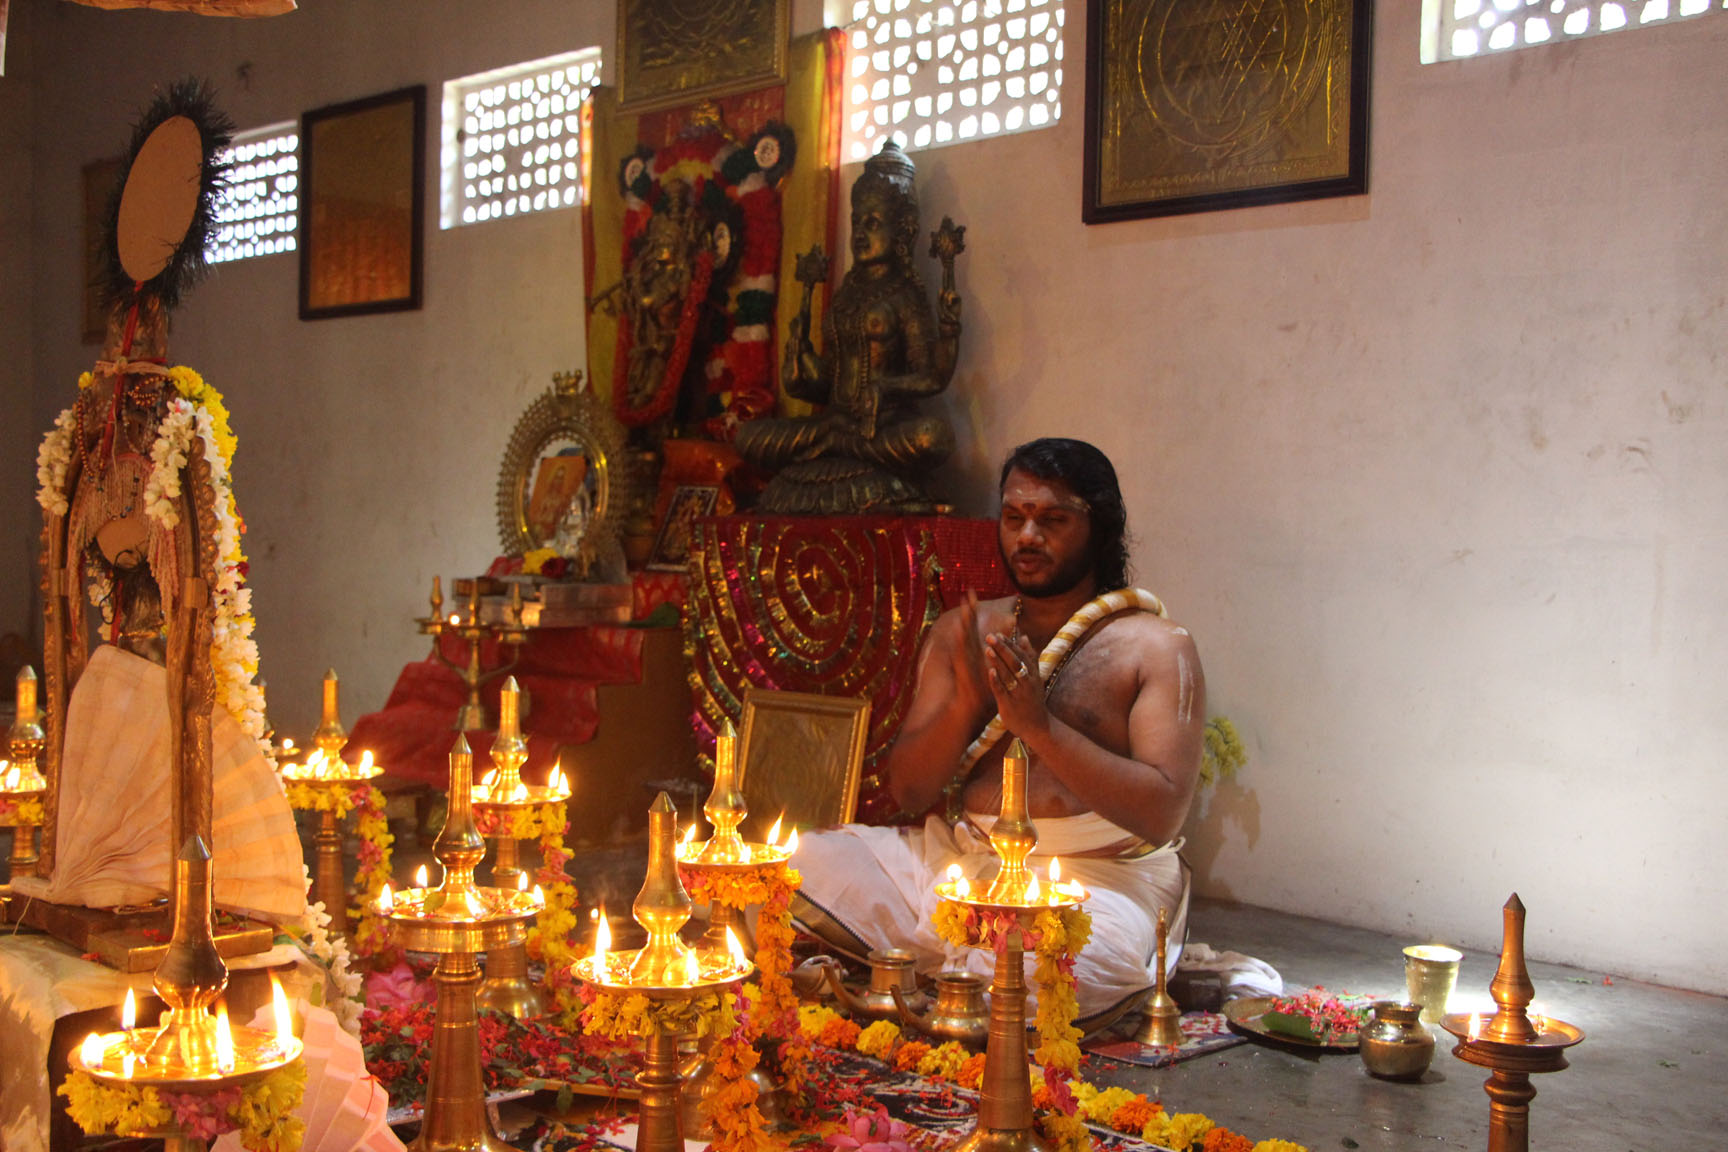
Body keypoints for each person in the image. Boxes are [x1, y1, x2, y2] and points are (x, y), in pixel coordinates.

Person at [792, 438, 1205, 1024]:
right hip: (965, 864)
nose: (1027, 537)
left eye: (1052, 520)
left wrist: (1038, 727)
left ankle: (936, 972)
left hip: (1098, 881)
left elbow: (1162, 811)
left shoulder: (1156, 647)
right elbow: (909, 793)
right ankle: (962, 972)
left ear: (1101, 527)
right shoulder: (965, 629)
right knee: (789, 870)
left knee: (1063, 968)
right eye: (1014, 518)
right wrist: (963, 704)